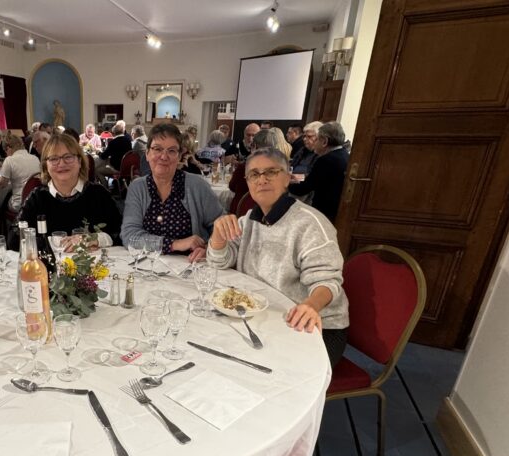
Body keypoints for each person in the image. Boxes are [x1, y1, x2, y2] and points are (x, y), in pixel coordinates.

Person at [207, 147, 348, 367]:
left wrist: (311, 305)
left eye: (271, 172)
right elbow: (219, 263)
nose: (262, 179)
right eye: (254, 174)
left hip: (314, 324)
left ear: (287, 178)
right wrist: (218, 234)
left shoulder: (309, 224)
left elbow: (327, 281)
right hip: (266, 316)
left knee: (262, 370)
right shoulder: (249, 220)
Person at [121, 123, 224, 262]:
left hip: (191, 266)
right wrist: (174, 244)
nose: (164, 156)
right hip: (147, 266)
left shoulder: (198, 186)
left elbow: (222, 228)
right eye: (157, 149)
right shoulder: (138, 188)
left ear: (179, 156)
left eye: (171, 151)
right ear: (147, 154)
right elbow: (129, 236)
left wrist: (208, 248)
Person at [19, 133, 121, 248]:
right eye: (54, 159)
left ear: (80, 161)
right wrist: (55, 242)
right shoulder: (36, 197)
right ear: (45, 165)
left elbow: (120, 233)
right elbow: (15, 238)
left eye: (68, 157)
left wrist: (92, 239)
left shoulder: (99, 194)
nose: (62, 164)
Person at [287, 121, 349, 223]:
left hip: (325, 211)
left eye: (317, 139)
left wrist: (286, 181)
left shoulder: (326, 160)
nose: (305, 140)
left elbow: (304, 188)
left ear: (324, 141)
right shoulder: (344, 154)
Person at [0, 132, 41, 216]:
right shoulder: (35, 158)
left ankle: (0, 221)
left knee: (1, 202)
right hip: (36, 200)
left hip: (20, 203)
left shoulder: (10, 160)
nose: (6, 154)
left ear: (8, 148)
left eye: (5, 151)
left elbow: (2, 185)